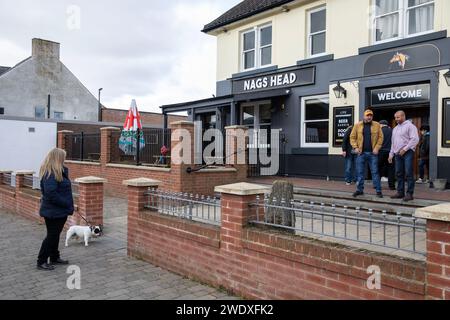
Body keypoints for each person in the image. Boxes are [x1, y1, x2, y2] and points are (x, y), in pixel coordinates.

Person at [37, 148, 74, 271]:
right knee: (52, 235)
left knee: (55, 234)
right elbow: (50, 193)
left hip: (58, 210)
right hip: (53, 211)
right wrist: (66, 204)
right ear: (57, 158)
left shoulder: (58, 171)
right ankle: (41, 261)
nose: (64, 159)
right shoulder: (50, 173)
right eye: (63, 157)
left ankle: (54, 257)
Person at [350, 109, 384, 198]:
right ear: (364, 116)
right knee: (360, 172)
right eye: (367, 115)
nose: (369, 117)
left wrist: (377, 148)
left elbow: (381, 138)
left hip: (373, 153)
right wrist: (355, 147)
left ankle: (378, 191)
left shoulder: (377, 125)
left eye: (371, 115)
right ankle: (359, 190)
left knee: (375, 172)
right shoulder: (357, 125)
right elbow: (352, 137)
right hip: (361, 153)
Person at [389, 111, 420, 202]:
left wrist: (405, 149)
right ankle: (400, 192)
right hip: (397, 153)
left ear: (403, 116)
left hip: (408, 152)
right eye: (395, 117)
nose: (396, 119)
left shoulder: (410, 126)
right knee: (399, 173)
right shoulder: (395, 129)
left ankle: (409, 194)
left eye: (398, 117)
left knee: (408, 173)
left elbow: (415, 139)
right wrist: (391, 154)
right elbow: (393, 143)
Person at [378, 120, 395, 190]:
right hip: (390, 152)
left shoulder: (379, 131)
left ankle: (377, 185)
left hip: (381, 152)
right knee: (391, 169)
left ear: (381, 125)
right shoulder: (392, 131)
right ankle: (392, 186)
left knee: (378, 168)